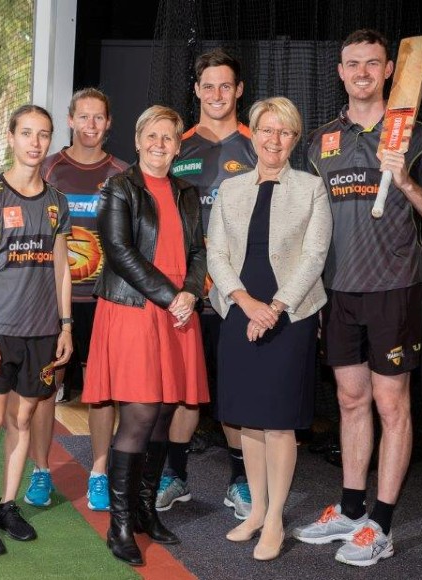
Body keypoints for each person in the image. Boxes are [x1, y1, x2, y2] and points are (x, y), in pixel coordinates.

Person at [292, 29, 422, 567]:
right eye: (352, 63)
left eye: (372, 63)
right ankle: (350, 508)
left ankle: (380, 526)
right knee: (349, 401)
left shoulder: (419, 135)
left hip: (393, 291)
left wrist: (406, 182)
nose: (362, 72)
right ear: (340, 72)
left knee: (392, 406)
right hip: (337, 292)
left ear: (390, 70)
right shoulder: (320, 140)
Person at [207, 96, 332, 561]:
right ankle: (255, 511)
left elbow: (314, 256)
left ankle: (276, 519)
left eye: (284, 132)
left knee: (279, 424)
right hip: (240, 313)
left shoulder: (310, 188)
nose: (273, 140)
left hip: (290, 317)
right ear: (253, 134)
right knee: (249, 423)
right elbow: (216, 254)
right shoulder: (231, 190)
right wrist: (246, 302)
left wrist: (274, 308)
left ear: (294, 139)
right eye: (266, 130)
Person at [82, 105, 208, 566]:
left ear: (179, 145)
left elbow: (199, 252)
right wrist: (170, 295)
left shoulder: (188, 191)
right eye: (152, 136)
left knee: (163, 414)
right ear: (137, 141)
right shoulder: (118, 187)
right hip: (136, 309)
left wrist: (190, 295)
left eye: (169, 138)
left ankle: (143, 511)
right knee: (138, 416)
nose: (160, 145)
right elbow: (118, 251)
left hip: (178, 312)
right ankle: (118, 527)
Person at [0, 104, 74, 556]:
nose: (35, 143)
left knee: (22, 419)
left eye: (43, 135)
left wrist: (65, 325)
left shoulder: (56, 202)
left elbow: (62, 270)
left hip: (42, 332)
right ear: (11, 137)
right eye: (26, 133)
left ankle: (9, 505)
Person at [161, 47, 258, 520]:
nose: (217, 94)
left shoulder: (259, 144)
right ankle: (175, 476)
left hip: (237, 293)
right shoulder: (176, 144)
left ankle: (241, 482)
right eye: (208, 86)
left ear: (239, 91)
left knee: (236, 389)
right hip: (183, 291)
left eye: (226, 85)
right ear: (195, 91)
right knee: (182, 388)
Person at [25, 88, 128, 512]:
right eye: (82, 117)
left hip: (106, 301)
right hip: (55, 301)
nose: (90, 125)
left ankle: (100, 473)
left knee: (102, 392)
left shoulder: (123, 173)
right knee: (48, 388)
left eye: (98, 118)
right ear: (70, 120)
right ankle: (40, 471)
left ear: (108, 123)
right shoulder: (49, 169)